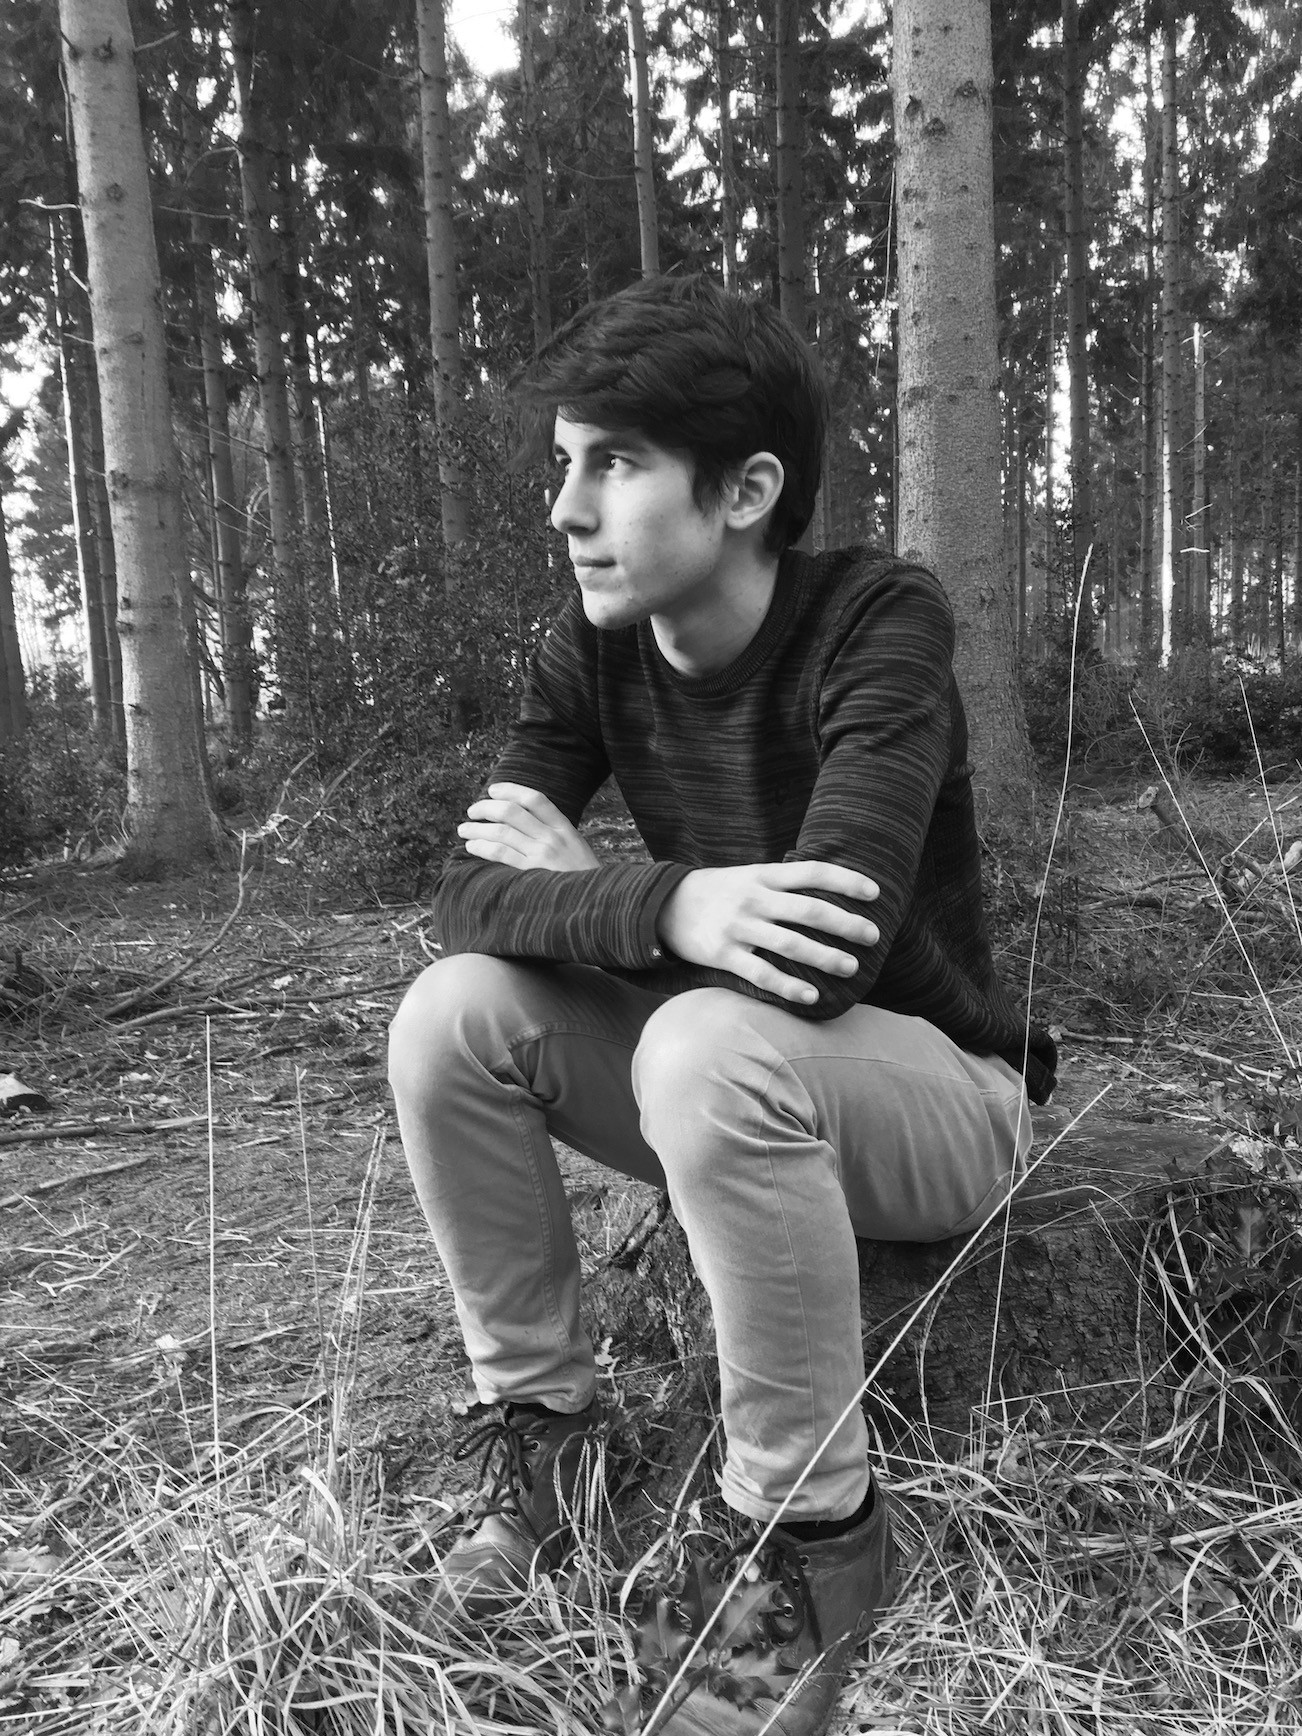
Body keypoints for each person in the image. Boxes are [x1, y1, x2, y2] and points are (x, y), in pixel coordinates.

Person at [387, 274, 1057, 1735]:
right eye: (564, 462)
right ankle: (547, 1448)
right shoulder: (592, 648)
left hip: (944, 1101)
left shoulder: (878, 620)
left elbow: (829, 953)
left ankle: (808, 1542)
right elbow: (463, 898)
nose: (566, 508)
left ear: (747, 491)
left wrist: (619, 892)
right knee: (450, 1014)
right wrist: (676, 906)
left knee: (704, 1043)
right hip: (740, 1072)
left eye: (615, 464)